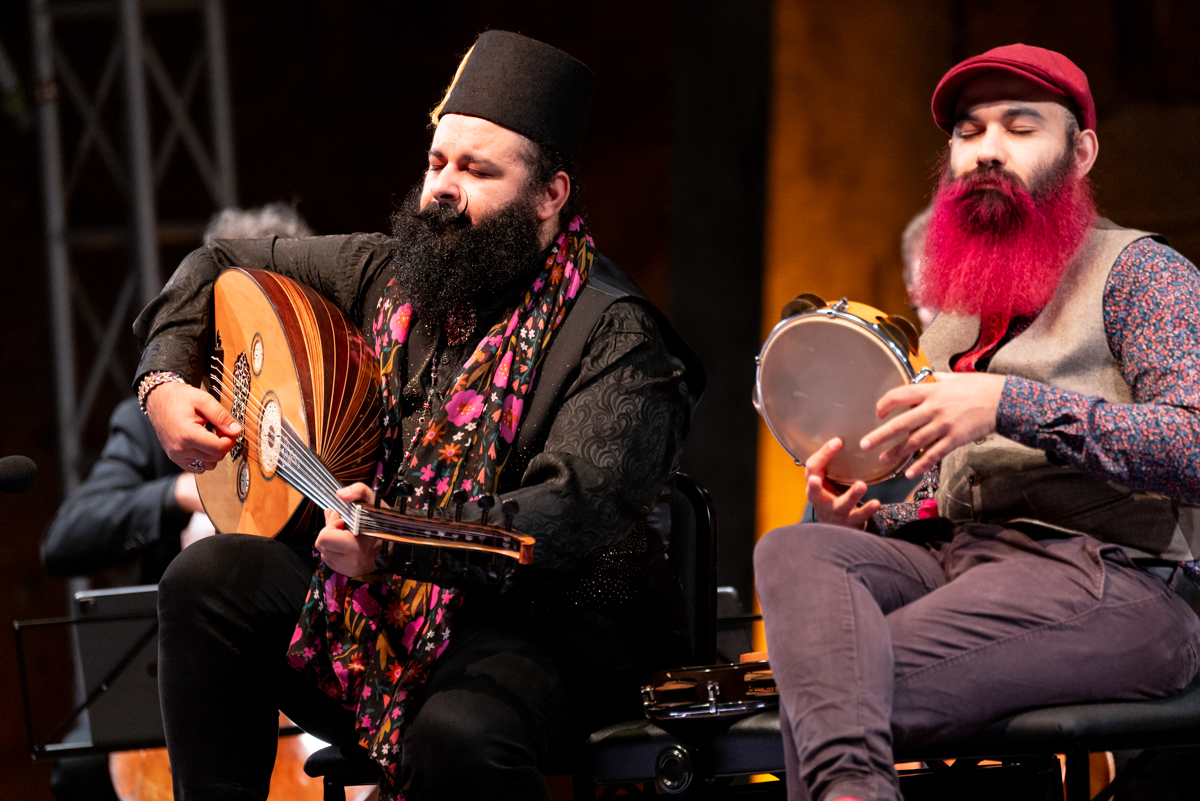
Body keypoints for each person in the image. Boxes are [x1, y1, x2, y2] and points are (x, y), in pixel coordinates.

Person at [132, 30, 702, 801]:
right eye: (437, 162)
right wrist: (163, 382)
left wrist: (394, 541)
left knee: (457, 731)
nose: (442, 187)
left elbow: (561, 518)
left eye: (476, 169)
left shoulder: (618, 336)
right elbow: (214, 264)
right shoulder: (387, 272)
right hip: (394, 608)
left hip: (563, 627)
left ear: (550, 194)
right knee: (206, 578)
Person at [755, 44, 1200, 801]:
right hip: (969, 565)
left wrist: (1005, 403)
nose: (987, 149)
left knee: (835, 688)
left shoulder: (1141, 274)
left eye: (1020, 127)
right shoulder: (954, 323)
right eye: (969, 131)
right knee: (798, 551)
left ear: (1081, 151)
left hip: (1117, 582)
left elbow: (1192, 441)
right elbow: (941, 501)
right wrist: (852, 521)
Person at [40, 203, 314, 801]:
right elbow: (67, 536)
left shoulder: (326, 413)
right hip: (184, 677)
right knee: (84, 771)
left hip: (309, 667)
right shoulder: (157, 422)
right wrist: (179, 491)